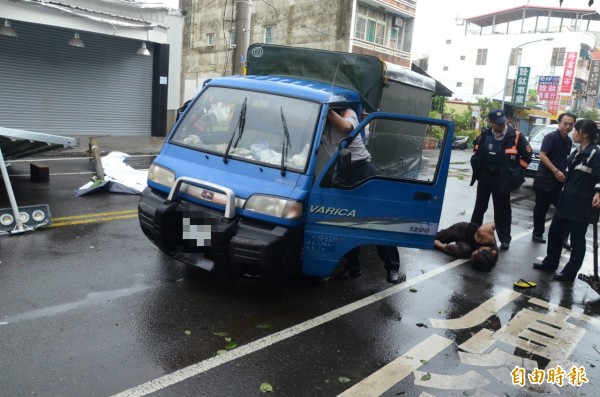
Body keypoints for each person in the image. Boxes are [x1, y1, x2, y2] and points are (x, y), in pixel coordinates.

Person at [323, 108, 401, 284]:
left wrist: (326, 109)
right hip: (342, 173)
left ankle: (392, 268)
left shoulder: (348, 113)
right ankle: (353, 268)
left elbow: (345, 128)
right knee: (345, 222)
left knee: (378, 221)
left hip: (363, 171)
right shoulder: (320, 125)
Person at [533, 119, 600, 281]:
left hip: (582, 203)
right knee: (555, 232)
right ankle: (551, 261)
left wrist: (598, 192)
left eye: (575, 130)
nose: (572, 132)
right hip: (566, 200)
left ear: (584, 134)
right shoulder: (577, 151)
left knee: (577, 239)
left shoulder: (595, 153)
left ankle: (570, 272)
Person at [470, 109, 532, 250]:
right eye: (497, 123)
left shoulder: (516, 136)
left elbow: (526, 159)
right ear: (491, 123)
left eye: (503, 122)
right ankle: (472, 234)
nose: (501, 125)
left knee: (502, 210)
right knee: (479, 207)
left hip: (502, 179)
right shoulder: (485, 134)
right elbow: (477, 152)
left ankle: (505, 239)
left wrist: (514, 173)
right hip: (485, 177)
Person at [531, 112, 575, 247]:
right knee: (541, 208)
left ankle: (562, 238)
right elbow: (542, 155)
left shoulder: (568, 141)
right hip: (546, 179)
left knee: (564, 209)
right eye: (565, 123)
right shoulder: (551, 137)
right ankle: (537, 233)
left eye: (571, 124)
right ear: (559, 123)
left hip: (560, 181)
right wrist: (555, 171)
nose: (567, 127)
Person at [434, 222, 498, 272]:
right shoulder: (484, 233)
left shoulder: (491, 258)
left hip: (465, 245)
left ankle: (440, 245)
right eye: (473, 256)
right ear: (480, 251)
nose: (471, 258)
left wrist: (439, 245)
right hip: (463, 231)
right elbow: (495, 223)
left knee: (464, 251)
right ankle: (438, 241)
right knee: (433, 237)